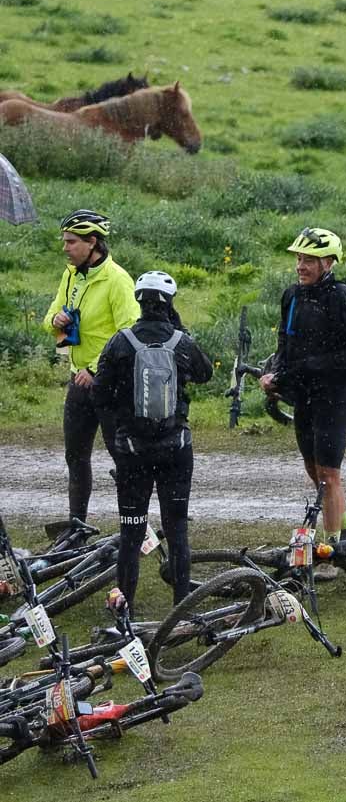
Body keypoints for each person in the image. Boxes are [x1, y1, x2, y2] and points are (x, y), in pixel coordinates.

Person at [90, 272, 212, 609]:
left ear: (138, 301)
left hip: (132, 452)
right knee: (177, 532)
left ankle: (124, 608)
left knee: (131, 534)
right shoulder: (181, 342)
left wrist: (122, 423)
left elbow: (98, 393)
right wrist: (178, 328)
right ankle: (181, 608)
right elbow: (205, 374)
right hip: (176, 448)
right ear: (170, 304)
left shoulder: (120, 342)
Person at [259, 228, 346, 571]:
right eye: (298, 258)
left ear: (327, 262)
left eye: (308, 260)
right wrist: (277, 373)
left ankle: (333, 554)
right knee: (313, 469)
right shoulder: (291, 296)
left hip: (335, 396)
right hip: (303, 395)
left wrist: (309, 368)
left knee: (328, 474)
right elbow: (285, 341)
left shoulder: (344, 300)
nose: (300, 266)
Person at [42, 209, 141, 523]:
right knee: (75, 457)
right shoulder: (71, 274)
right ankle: (77, 524)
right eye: (65, 241)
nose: (65, 248)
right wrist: (55, 320)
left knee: (122, 457)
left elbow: (129, 333)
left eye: (71, 242)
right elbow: (50, 319)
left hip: (109, 385)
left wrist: (97, 370)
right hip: (77, 381)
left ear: (92, 242)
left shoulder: (117, 280)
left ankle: (135, 524)